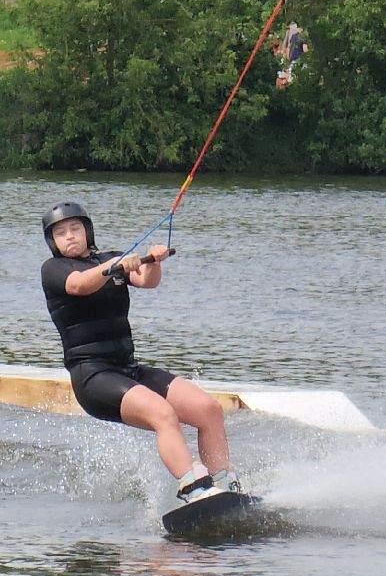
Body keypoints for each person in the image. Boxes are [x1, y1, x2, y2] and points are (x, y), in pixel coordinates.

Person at [40, 201, 243, 507]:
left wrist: (153, 261)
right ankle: (195, 489)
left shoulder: (111, 258)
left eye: (75, 228)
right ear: (52, 241)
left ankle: (224, 485)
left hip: (128, 369)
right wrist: (113, 267)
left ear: (87, 231)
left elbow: (147, 281)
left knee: (209, 410)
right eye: (61, 232)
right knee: (163, 414)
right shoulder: (54, 270)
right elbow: (81, 285)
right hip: (94, 377)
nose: (69, 236)